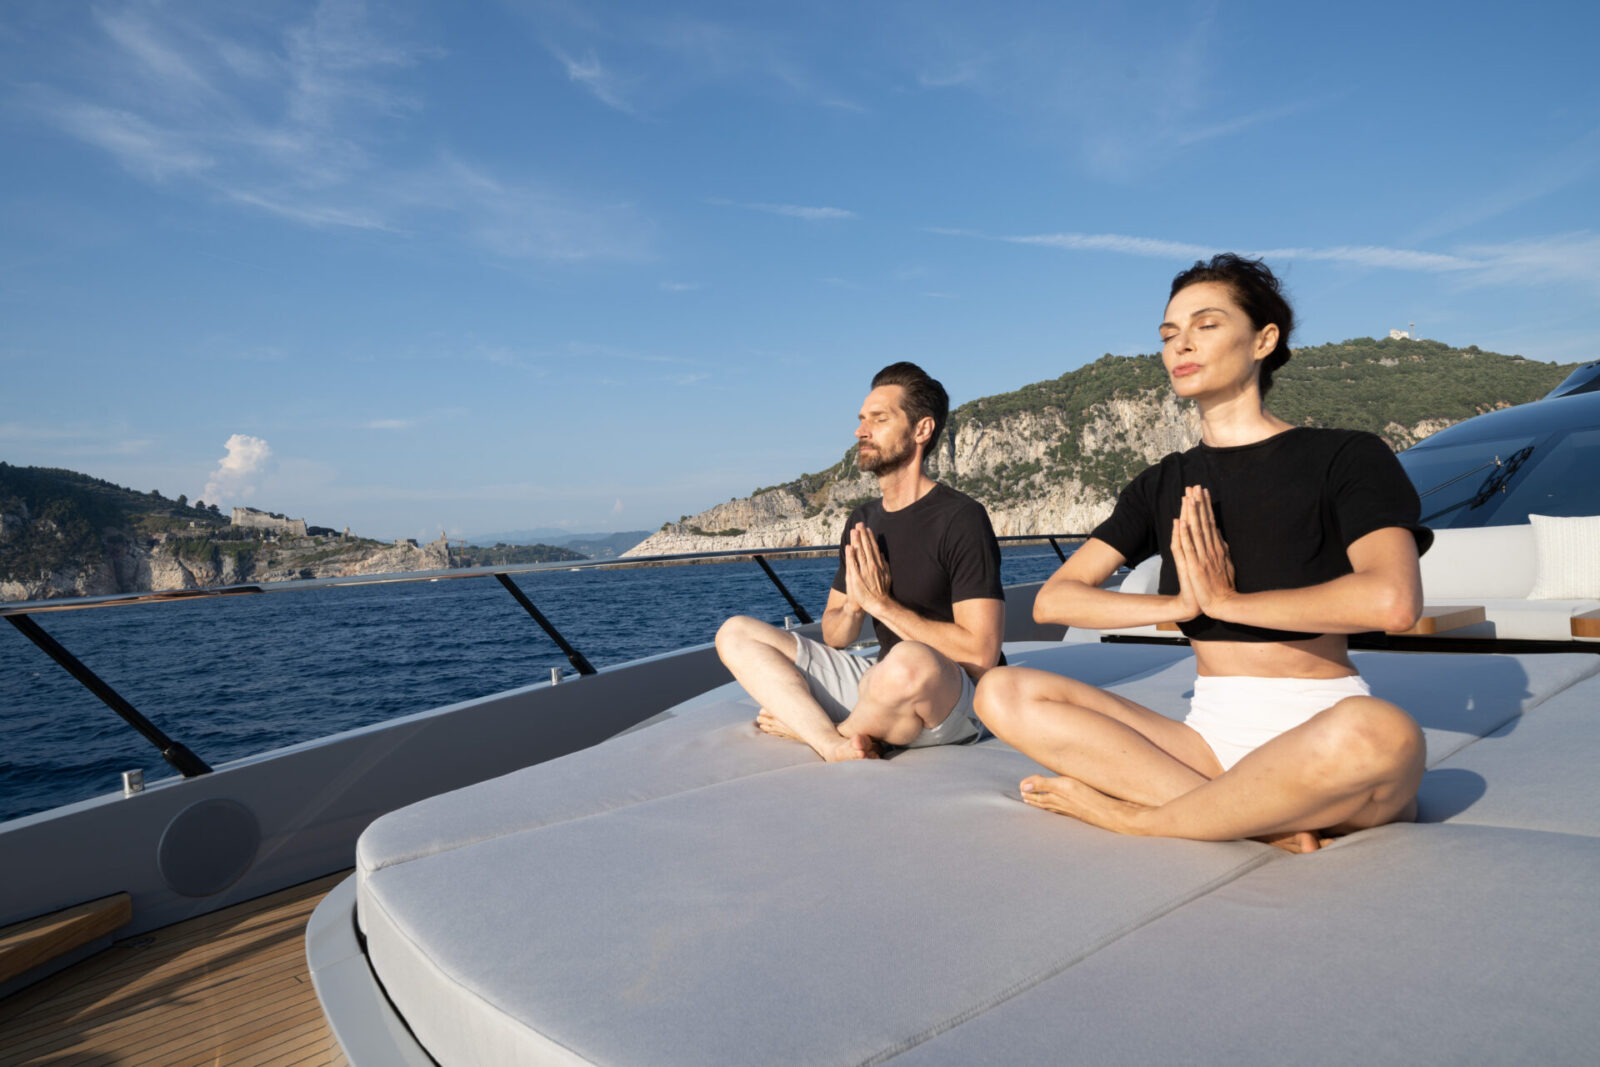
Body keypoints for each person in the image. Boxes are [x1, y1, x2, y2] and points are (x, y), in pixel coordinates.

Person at [974, 254, 1432, 852]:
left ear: (1264, 340)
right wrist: (1181, 604)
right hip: (1209, 746)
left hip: (1326, 737)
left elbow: (1392, 601)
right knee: (1001, 691)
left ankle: (1141, 817)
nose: (1181, 344)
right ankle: (1254, 818)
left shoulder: (1345, 456)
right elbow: (1055, 601)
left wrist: (1227, 602)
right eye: (1169, 334)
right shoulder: (1162, 483)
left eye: (1206, 325)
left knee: (1385, 732)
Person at [716, 362, 1005, 762]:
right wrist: (855, 604)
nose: (860, 431)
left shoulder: (961, 518)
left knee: (909, 659)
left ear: (922, 430)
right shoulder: (863, 521)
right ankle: (833, 742)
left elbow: (981, 654)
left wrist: (881, 605)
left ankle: (819, 731)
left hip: (952, 697)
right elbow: (836, 636)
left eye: (879, 419)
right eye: (861, 419)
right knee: (735, 632)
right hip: (883, 686)